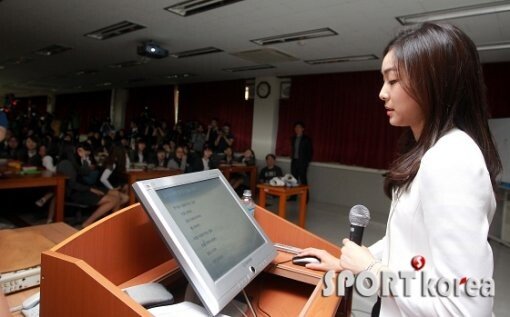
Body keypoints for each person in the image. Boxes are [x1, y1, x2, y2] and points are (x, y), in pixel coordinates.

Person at [298, 23, 501, 316]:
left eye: (393, 81)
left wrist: (370, 269)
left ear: (433, 83)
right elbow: (405, 242)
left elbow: (465, 305)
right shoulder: (431, 150)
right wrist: (344, 264)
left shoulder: (451, 160)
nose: (382, 93)